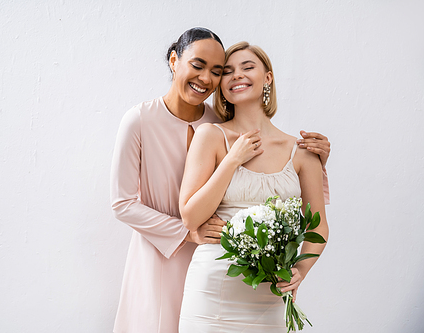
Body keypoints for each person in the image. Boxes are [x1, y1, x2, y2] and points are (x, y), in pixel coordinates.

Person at [110, 28, 331, 333]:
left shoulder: (217, 122)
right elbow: (123, 204)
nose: (208, 78)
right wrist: (189, 233)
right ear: (174, 61)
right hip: (168, 253)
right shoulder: (145, 120)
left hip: (245, 273)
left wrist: (318, 161)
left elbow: (301, 206)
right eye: (200, 66)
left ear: (268, 77)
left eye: (216, 71)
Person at [178, 42, 329, 332]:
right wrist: (232, 160)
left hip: (270, 295)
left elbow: (318, 227)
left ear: (267, 78)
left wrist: (299, 271)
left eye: (248, 68)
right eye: (228, 72)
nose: (237, 76)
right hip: (211, 292)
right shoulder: (209, 136)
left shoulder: (302, 152)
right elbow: (190, 217)